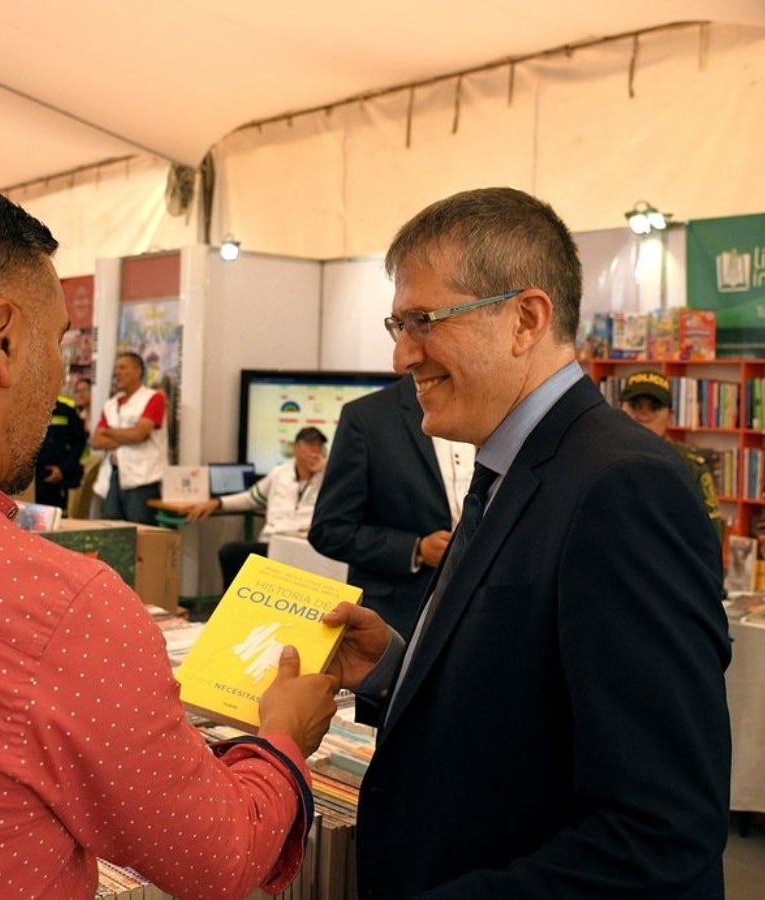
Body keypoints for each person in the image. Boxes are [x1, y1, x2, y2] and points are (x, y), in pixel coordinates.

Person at [0, 176, 338, 898]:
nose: (63, 370)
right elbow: (221, 854)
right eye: (58, 341)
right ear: (2, 337)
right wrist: (282, 738)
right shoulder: (58, 608)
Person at [322, 187, 731, 897]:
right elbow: (530, 707)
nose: (400, 356)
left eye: (423, 321)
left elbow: (660, 831)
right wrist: (396, 666)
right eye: (397, 323)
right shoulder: (519, 465)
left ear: (525, 319)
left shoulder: (622, 488)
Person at [308, 376, 473, 640]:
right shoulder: (367, 417)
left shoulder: (494, 408)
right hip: (399, 617)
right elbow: (329, 530)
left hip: (481, 612)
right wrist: (415, 549)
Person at [185, 426, 328, 587]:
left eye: (319, 446)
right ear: (296, 448)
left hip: (304, 546)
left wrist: (327, 472)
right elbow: (251, 498)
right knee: (230, 553)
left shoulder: (329, 477)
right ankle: (233, 608)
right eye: (310, 445)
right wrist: (218, 502)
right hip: (273, 542)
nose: (315, 451)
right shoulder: (279, 474)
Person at [619, 369, 725, 540]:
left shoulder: (689, 465)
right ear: (619, 410)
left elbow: (711, 535)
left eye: (654, 407)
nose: (644, 416)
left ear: (670, 416)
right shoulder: (598, 458)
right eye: (635, 406)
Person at [90, 351, 167, 525]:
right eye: (116, 368)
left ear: (138, 371)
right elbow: (96, 441)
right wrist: (128, 435)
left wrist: (109, 431)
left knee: (140, 531)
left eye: (122, 367)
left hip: (142, 479)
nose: (117, 373)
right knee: (111, 530)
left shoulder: (154, 398)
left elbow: (139, 434)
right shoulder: (111, 404)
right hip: (113, 476)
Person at [33, 393, 88, 510]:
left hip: (56, 477)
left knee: (58, 518)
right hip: (31, 477)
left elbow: (78, 442)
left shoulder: (66, 410)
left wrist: (64, 469)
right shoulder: (26, 409)